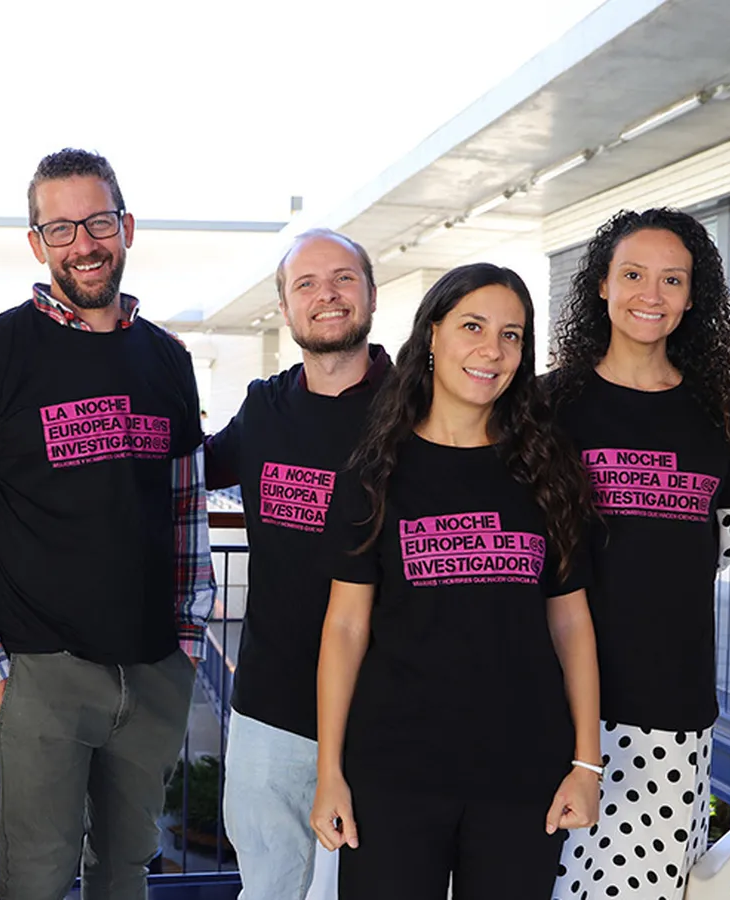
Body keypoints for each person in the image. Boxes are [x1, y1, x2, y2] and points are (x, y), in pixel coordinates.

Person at [0, 148, 213, 900]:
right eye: (61, 228)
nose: (83, 243)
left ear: (127, 227)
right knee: (37, 881)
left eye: (98, 222)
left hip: (154, 670)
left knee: (126, 872)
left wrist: (188, 644)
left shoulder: (167, 360)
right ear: (37, 243)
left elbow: (186, 507)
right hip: (40, 677)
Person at [309, 263, 601, 899]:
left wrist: (586, 763)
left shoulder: (545, 471)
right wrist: (330, 770)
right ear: (433, 335)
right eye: (473, 327)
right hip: (394, 771)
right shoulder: (373, 473)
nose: (492, 350)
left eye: (511, 335)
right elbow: (346, 626)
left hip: (521, 774)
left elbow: (571, 622)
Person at [545, 208, 730, 899]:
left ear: (694, 297)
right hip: (545, 696)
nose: (652, 294)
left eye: (673, 279)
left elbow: (729, 535)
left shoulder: (719, 407)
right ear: (602, 285)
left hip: (669, 703)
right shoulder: (551, 403)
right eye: (633, 274)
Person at [204, 228, 389, 899]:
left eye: (343, 278)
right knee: (269, 888)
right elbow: (182, 470)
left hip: (386, 708)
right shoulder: (264, 408)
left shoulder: (418, 410)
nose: (326, 295)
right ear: (284, 307)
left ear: (371, 293)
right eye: (306, 284)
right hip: (271, 708)